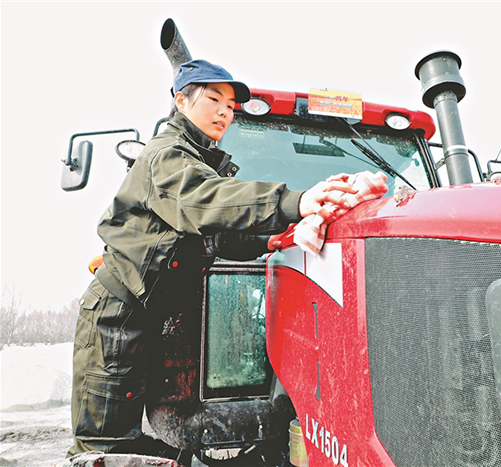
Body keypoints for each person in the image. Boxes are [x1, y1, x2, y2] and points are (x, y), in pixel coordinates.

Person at [67, 59, 357, 461]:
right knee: (106, 447)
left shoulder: (202, 161)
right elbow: (205, 201)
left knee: (133, 445)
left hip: (148, 315)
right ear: (181, 101)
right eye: (214, 100)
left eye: (231, 106)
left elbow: (219, 235)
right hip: (120, 317)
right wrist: (295, 202)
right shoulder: (167, 157)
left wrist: (274, 238)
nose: (225, 112)